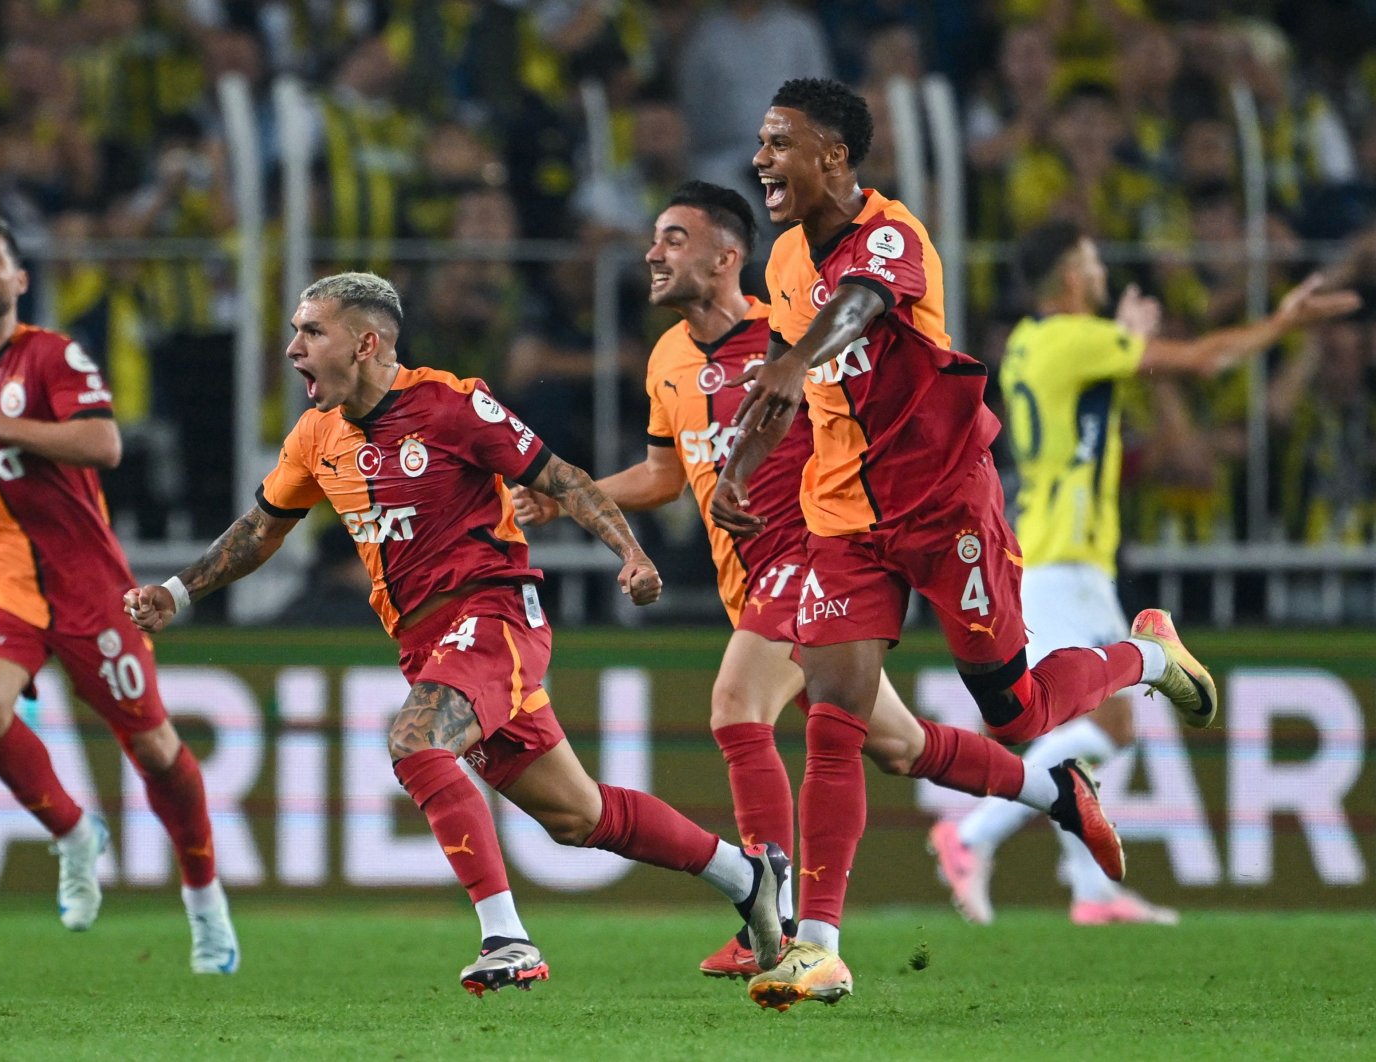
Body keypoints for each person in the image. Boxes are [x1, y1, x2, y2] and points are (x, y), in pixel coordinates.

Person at [512, 180, 1131, 980]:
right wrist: (574, 498)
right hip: (753, 580)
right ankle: (1059, 794)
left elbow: (862, 411)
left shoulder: (790, 331)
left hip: (815, 554)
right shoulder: (666, 360)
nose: (652, 254)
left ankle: (769, 915)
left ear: (727, 256)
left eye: (673, 238)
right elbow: (668, 475)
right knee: (902, 747)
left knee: (737, 707)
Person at [124, 271, 789, 995]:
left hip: (494, 614)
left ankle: (507, 937)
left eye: (311, 332)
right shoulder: (316, 437)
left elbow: (559, 477)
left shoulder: (450, 404)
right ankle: (745, 875)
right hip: (427, 645)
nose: (293, 349)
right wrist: (178, 591)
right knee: (578, 815)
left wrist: (630, 554)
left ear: (366, 341)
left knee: (414, 738)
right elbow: (260, 531)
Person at [709, 78, 1217, 1010]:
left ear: (833, 154)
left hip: (947, 508)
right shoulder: (783, 261)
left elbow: (859, 307)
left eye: (779, 143)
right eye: (760, 142)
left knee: (1016, 714)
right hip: (843, 521)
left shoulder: (892, 235)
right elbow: (784, 391)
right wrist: (738, 471)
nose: (761, 160)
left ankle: (1143, 652)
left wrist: (791, 357)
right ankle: (818, 945)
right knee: (836, 717)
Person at [931, 220, 1360, 925]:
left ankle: (1091, 890)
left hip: (1058, 551)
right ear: (1071, 273)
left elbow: (1096, 391)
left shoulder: (1034, 345)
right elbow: (1203, 361)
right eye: (1093, 260)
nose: (1101, 270)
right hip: (1064, 560)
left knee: (1110, 720)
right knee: (1116, 720)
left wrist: (1122, 335)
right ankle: (970, 834)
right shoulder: (1073, 339)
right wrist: (1285, 320)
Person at [0, 212, 238, 975]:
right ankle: (72, 832)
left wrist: (5, 427)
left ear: (19, 278)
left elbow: (104, 443)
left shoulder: (53, 356)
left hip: (89, 589)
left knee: (158, 754)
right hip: (2, 582)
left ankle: (205, 904)